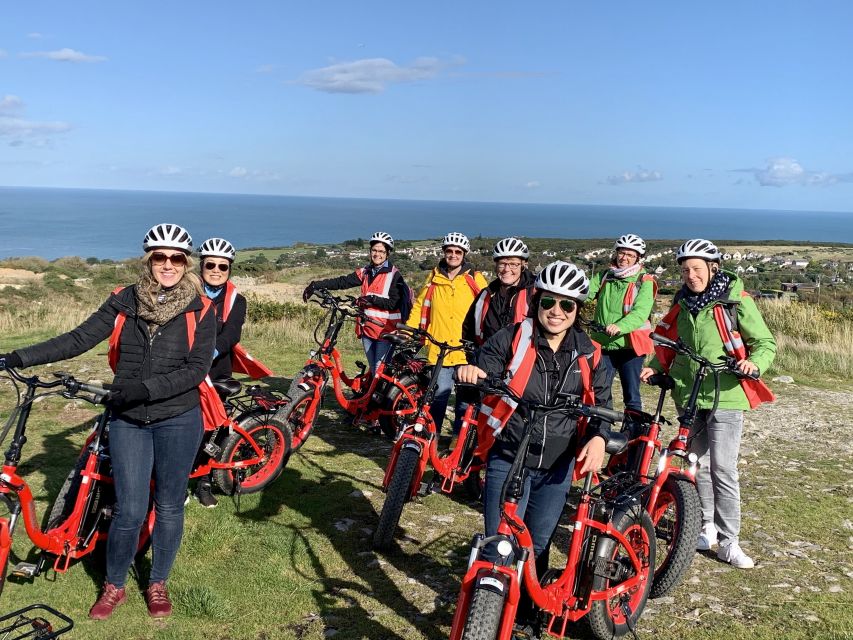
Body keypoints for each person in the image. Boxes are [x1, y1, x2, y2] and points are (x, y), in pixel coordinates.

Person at [0, 223, 215, 619]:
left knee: (169, 506)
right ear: (148, 260)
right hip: (128, 419)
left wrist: (144, 389)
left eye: (176, 258)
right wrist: (18, 357)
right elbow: (79, 338)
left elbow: (196, 369)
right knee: (130, 509)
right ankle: (114, 586)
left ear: (187, 263)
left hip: (178, 418)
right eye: (159, 257)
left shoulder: (201, 309)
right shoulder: (124, 300)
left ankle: (157, 583)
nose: (167, 264)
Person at [456, 261, 610, 632]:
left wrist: (599, 437)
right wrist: (474, 373)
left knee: (538, 545)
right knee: (500, 543)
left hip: (557, 466)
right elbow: (487, 365)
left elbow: (602, 402)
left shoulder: (590, 354)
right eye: (548, 303)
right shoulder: (512, 337)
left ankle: (526, 614)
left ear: (577, 310)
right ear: (537, 302)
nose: (556, 312)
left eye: (566, 305)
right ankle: (488, 610)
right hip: (509, 456)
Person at [640, 238, 776, 570]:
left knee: (724, 469)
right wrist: (655, 366)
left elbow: (764, 342)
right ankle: (706, 527)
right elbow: (669, 339)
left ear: (712, 269)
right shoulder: (682, 303)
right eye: (686, 269)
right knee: (694, 464)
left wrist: (754, 364)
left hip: (725, 391)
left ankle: (730, 542)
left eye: (697, 269)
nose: (691, 275)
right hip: (689, 392)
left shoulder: (735, 300)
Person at [192, 237, 272, 508]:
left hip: (217, 370)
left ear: (229, 270)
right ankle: (177, 479)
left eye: (222, 267)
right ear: (201, 266)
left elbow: (231, 334)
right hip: (185, 369)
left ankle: (204, 483)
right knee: (183, 427)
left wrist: (208, 353)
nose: (216, 270)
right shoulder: (187, 292)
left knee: (213, 430)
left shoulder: (237, 300)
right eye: (210, 264)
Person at [406, 232, 488, 436]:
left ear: (464, 254)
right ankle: (430, 440)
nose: (453, 255)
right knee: (437, 400)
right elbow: (420, 306)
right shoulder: (434, 277)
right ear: (444, 253)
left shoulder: (474, 279)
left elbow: (488, 308)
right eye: (449, 251)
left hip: (466, 352)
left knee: (464, 402)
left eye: (457, 252)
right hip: (439, 351)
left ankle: (457, 445)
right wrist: (408, 330)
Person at [302, 231, 406, 373]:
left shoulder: (394, 275)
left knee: (378, 371)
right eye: (374, 250)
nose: (377, 254)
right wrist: (316, 285)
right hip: (367, 328)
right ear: (370, 251)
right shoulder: (366, 272)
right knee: (374, 368)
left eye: (381, 251)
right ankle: (372, 393)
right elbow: (342, 282)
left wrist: (371, 299)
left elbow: (394, 303)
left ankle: (383, 395)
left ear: (387, 254)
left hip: (385, 330)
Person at [587, 233, 657, 412]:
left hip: (631, 347)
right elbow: (586, 293)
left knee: (631, 394)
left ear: (638, 258)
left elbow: (640, 312)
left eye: (630, 255)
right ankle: (602, 433)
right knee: (600, 392)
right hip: (604, 343)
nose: (624, 258)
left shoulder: (644, 281)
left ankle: (632, 435)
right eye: (622, 253)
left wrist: (620, 327)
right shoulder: (605, 276)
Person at [462, 237, 536, 349]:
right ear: (496, 266)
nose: (506, 269)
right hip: (488, 362)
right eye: (502, 263)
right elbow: (469, 330)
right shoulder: (486, 295)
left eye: (513, 264)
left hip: (524, 363)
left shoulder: (535, 294)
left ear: (523, 265)